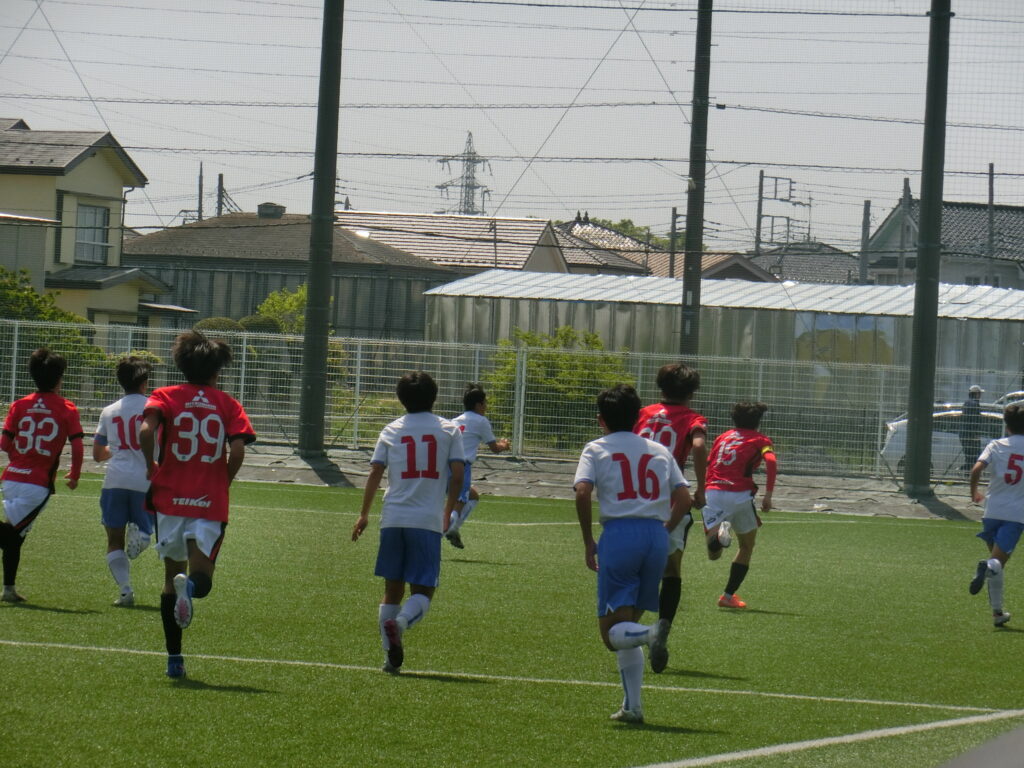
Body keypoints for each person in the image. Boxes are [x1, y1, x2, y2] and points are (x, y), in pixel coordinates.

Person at [140, 331, 255, 679]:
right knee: (200, 578)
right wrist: (224, 480)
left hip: (169, 498)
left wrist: (150, 465)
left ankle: (174, 660)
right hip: (208, 501)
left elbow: (146, 431)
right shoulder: (228, 404)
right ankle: (188, 589)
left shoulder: (164, 395)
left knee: (169, 578)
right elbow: (238, 449)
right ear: (217, 370)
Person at [574, 384, 690, 724]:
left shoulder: (596, 448)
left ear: (601, 420)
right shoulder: (658, 449)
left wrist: (588, 540)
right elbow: (685, 498)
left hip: (621, 535)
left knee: (612, 635)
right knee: (627, 625)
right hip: (656, 536)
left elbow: (582, 491)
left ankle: (653, 633)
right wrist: (665, 530)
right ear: (639, 417)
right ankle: (633, 707)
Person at [352, 371, 465, 675]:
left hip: (393, 518)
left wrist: (364, 514)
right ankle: (400, 624)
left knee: (392, 590)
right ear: (434, 396)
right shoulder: (449, 430)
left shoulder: (391, 429)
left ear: (401, 399)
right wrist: (448, 510)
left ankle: (390, 660)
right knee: (423, 591)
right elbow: (457, 474)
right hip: (425, 520)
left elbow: (375, 472)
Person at [632, 363, 706, 672]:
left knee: (637, 568)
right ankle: (661, 626)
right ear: (692, 392)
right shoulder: (692, 419)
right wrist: (701, 487)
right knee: (671, 569)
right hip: (671, 499)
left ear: (660, 386)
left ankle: (627, 628)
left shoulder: (643, 413)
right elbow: (699, 445)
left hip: (637, 497)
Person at [0, 348, 83, 603]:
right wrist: (75, 474)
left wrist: (18, 459)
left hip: (11, 478)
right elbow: (77, 444)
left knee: (16, 537)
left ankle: (8, 589)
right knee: (11, 535)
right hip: (37, 484)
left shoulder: (19, 404)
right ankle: (8, 589)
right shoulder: (67, 408)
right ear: (60, 378)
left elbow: (4, 443)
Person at [702, 401, 776, 609]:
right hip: (739, 495)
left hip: (713, 492)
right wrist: (768, 495)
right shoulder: (760, 439)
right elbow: (771, 461)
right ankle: (727, 597)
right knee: (746, 546)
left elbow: (709, 463)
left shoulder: (722, 437)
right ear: (758, 421)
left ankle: (719, 536)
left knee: (714, 555)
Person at [93, 356, 154, 607]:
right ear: (145, 382)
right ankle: (143, 535)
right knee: (147, 528)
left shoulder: (109, 411)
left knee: (114, 539)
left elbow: (98, 454)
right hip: (145, 480)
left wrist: (118, 448)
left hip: (115, 480)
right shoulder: (154, 409)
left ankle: (125, 590)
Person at [967, 402, 1024, 627]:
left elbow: (976, 469)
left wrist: (974, 492)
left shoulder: (996, 444)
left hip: (991, 511)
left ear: (1007, 425)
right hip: (1015, 515)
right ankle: (986, 567)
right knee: (995, 563)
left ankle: (997, 613)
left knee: (997, 565)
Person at [445, 383, 510, 549]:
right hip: (462, 466)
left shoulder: (454, 421)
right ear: (478, 405)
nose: (486, 406)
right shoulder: (481, 421)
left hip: (445, 466)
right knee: (460, 501)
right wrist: (504, 445)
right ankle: (448, 528)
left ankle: (453, 528)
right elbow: (494, 448)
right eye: (485, 403)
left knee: (472, 496)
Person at [960, 385, 984, 472]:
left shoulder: (966, 403)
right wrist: (975, 435)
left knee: (968, 457)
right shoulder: (975, 404)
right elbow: (974, 421)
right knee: (975, 458)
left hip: (964, 434)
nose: (980, 395)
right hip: (971, 436)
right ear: (976, 394)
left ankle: (966, 472)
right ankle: (966, 471)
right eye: (979, 393)